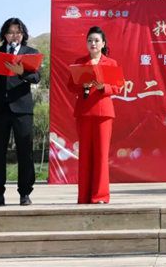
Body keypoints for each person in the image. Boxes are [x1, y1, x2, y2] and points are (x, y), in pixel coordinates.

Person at [0, 17, 41, 207]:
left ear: (23, 34)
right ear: (4, 35)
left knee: (25, 151)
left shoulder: (30, 52)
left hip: (22, 109)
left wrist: (21, 71)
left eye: (18, 32)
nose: (14, 36)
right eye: (11, 32)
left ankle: (25, 193)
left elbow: (36, 77)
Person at [67, 26, 120, 204]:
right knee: (85, 155)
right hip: (84, 112)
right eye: (90, 40)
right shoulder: (80, 62)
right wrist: (82, 85)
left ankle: (100, 196)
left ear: (103, 43)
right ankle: (84, 196)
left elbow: (117, 87)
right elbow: (71, 86)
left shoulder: (111, 63)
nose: (93, 44)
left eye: (97, 40)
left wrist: (103, 87)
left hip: (103, 113)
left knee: (101, 155)